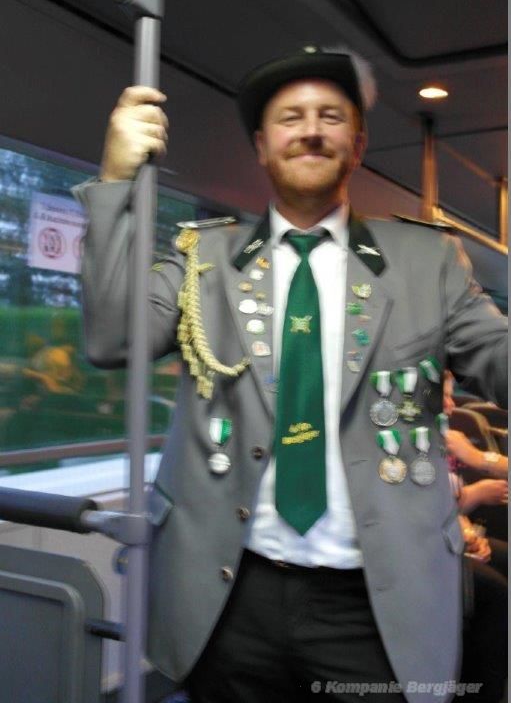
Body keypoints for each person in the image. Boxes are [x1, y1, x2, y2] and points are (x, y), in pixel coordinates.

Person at [73, 47, 508, 703]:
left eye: (330, 116)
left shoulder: (428, 262)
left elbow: (498, 359)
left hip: (376, 605)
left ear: (357, 144)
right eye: (290, 118)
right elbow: (112, 337)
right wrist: (114, 183)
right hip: (229, 596)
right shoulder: (203, 257)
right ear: (261, 145)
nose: (310, 130)